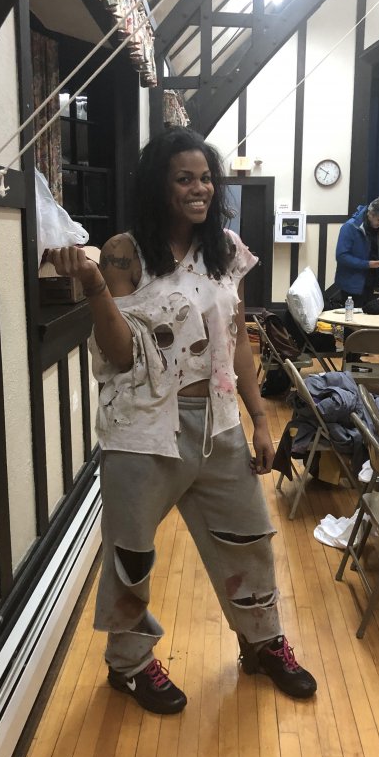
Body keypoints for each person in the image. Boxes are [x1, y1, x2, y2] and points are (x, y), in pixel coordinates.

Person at [48, 126, 317, 715]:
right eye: (184, 179)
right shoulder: (124, 253)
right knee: (131, 554)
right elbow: (121, 354)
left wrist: (260, 420)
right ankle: (129, 664)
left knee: (249, 538)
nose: (200, 189)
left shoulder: (225, 250)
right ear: (158, 185)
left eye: (205, 178)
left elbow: (238, 341)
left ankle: (263, 643)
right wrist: (93, 286)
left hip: (217, 424)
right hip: (142, 429)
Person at [334, 196, 379, 307]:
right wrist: (367, 264)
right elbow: (341, 256)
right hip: (352, 286)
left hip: (375, 285)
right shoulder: (350, 227)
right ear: (370, 214)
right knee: (354, 317)